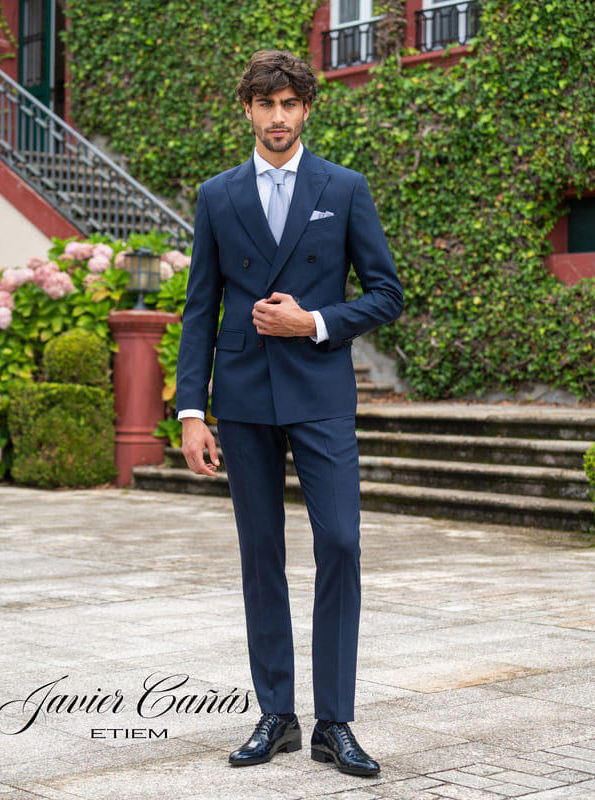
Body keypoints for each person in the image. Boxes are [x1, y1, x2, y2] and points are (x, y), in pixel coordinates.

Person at [176, 49, 403, 777]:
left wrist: (314, 322)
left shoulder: (345, 187)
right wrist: (191, 410)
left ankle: (335, 722)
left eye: (290, 104)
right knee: (260, 554)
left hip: (320, 392)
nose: (278, 117)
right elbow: (200, 310)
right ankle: (276, 714)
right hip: (243, 397)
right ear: (247, 109)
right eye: (265, 104)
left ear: (306, 109)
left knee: (341, 542)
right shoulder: (217, 195)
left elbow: (386, 293)